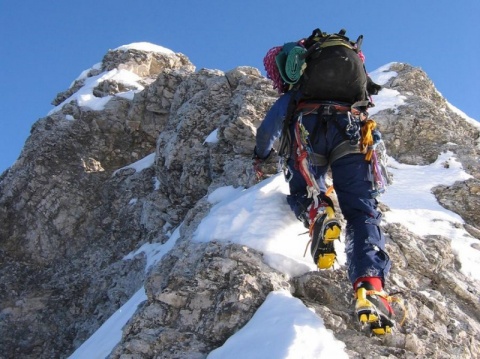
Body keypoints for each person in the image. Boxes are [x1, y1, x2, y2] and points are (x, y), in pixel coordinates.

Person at [253, 29, 398, 335]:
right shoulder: (355, 89)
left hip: (308, 126)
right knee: (362, 213)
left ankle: (318, 212)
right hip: (354, 130)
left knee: (303, 190)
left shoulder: (297, 91)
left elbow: (269, 128)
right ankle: (371, 286)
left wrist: (260, 155)